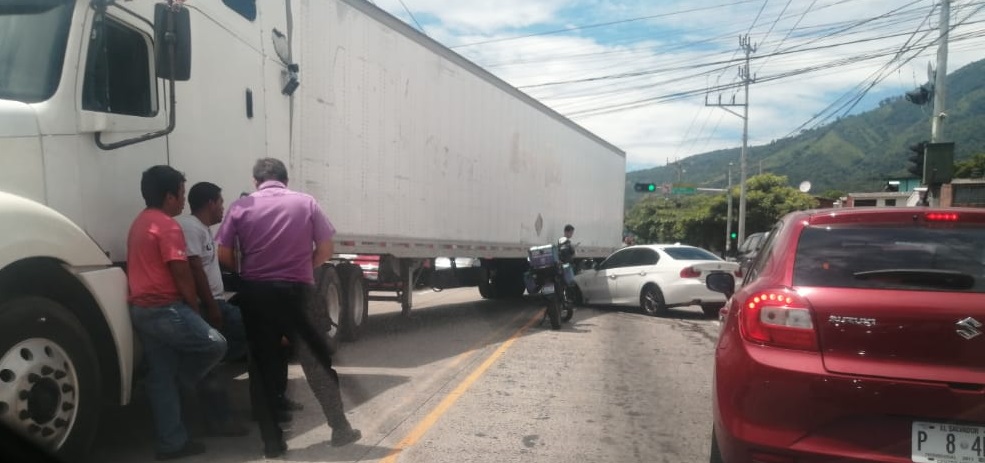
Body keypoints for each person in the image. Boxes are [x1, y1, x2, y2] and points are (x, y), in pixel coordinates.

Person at [216, 158, 361, 458]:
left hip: (257, 295)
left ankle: (272, 443)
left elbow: (224, 254)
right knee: (317, 363)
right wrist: (303, 268)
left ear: (256, 181)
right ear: (285, 179)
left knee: (262, 367)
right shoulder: (306, 203)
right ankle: (340, 428)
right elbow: (325, 249)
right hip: (300, 294)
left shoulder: (240, 207)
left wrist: (248, 273)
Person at [126, 166, 227, 460]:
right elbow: (181, 271)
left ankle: (172, 442)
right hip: (164, 309)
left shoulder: (140, 222)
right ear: (169, 196)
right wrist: (195, 310)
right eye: (181, 194)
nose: (184, 201)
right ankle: (186, 382)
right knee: (215, 343)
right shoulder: (167, 226)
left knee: (161, 376)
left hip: (141, 310)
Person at [175, 182, 251, 436]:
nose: (222, 208)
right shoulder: (190, 227)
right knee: (253, 332)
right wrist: (211, 306)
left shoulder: (204, 229)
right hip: (207, 305)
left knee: (217, 360)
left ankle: (219, 415)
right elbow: (194, 270)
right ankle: (220, 417)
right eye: (220, 202)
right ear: (209, 203)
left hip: (216, 302)